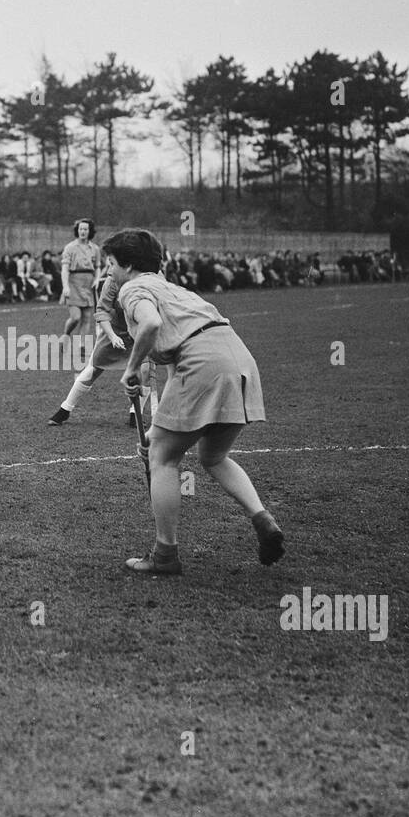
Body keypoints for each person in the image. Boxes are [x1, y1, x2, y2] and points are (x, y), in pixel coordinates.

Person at [104, 228, 284, 575]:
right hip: (238, 358)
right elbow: (175, 371)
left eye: (111, 264)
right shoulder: (176, 290)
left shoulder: (132, 288)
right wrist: (157, 429)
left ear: (127, 265)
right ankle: (262, 518)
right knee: (213, 456)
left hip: (203, 363)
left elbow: (151, 324)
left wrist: (130, 367)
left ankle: (165, 557)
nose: (109, 272)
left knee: (162, 459)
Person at [47, 264, 148, 428]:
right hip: (116, 329)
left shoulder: (150, 277)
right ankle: (65, 409)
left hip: (141, 330)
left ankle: (135, 413)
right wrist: (113, 336)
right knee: (92, 370)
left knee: (146, 370)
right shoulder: (112, 280)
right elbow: (102, 311)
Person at [60, 219, 101, 338]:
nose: (82, 231)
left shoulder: (95, 249)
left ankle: (82, 346)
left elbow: (98, 267)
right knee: (76, 317)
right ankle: (66, 334)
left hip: (88, 283)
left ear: (90, 231)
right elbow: (65, 268)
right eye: (80, 229)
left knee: (87, 317)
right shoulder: (70, 247)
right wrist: (65, 286)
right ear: (77, 231)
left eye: (85, 229)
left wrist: (97, 279)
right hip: (74, 283)